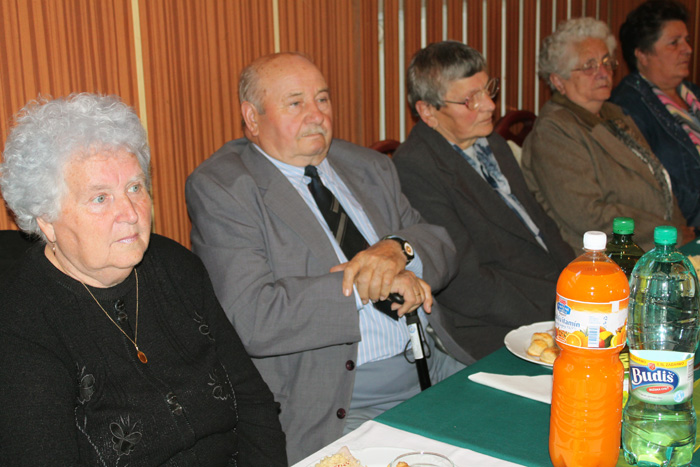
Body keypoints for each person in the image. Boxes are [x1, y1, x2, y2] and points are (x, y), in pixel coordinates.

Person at [185, 52, 467, 463]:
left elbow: (440, 243)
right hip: (343, 402)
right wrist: (367, 282)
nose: (316, 115)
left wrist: (396, 249)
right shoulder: (225, 188)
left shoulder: (367, 166)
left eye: (322, 99)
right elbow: (252, 317)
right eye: (295, 103)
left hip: (435, 367)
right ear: (252, 118)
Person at [0, 93, 287, 466]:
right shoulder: (21, 323)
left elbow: (252, 402)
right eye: (100, 198)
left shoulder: (176, 267)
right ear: (46, 220)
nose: (130, 213)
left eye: (135, 188)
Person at [391, 41, 573, 361]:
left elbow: (540, 224)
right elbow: (465, 283)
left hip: (552, 298)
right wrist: (557, 314)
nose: (489, 105)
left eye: (488, 90)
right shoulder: (415, 167)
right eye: (470, 99)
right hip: (497, 324)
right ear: (428, 111)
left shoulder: (492, 142)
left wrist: (580, 283)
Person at [521, 17, 689, 251]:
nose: (603, 73)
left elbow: (658, 178)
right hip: (605, 259)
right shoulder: (553, 131)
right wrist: (670, 234)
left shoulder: (614, 113)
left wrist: (678, 232)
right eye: (589, 66)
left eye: (606, 62)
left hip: (659, 246)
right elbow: (588, 215)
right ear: (558, 81)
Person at [611, 0, 700, 229]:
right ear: (642, 54)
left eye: (687, 40)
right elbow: (655, 189)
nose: (688, 49)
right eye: (674, 43)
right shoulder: (627, 108)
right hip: (684, 228)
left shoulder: (693, 93)